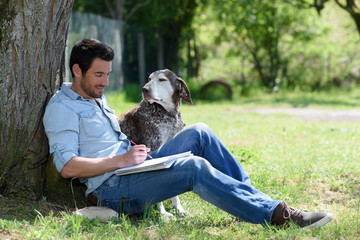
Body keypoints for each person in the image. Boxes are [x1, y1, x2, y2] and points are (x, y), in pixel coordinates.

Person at [43, 38, 333, 229]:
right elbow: (67, 167)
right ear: (77, 70)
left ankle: (255, 198)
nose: (105, 82)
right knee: (193, 167)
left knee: (200, 133)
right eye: (99, 75)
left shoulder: (94, 95)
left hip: (135, 167)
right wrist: (120, 161)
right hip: (112, 189)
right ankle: (279, 215)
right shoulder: (62, 108)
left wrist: (131, 158)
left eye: (107, 74)